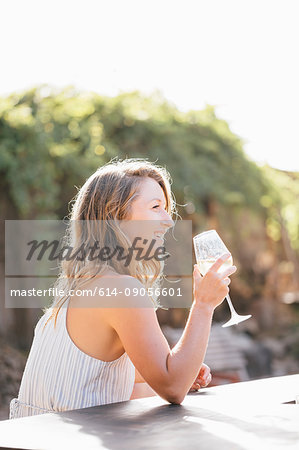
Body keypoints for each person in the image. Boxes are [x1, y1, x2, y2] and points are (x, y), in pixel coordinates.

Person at [9, 158, 236, 419]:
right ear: (115, 215)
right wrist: (204, 304)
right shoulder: (121, 289)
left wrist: (182, 368)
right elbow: (173, 388)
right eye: (155, 207)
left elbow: (107, 384)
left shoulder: (80, 286)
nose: (169, 221)